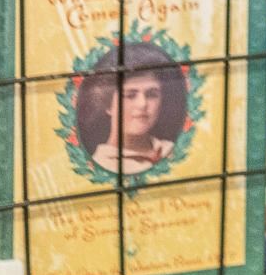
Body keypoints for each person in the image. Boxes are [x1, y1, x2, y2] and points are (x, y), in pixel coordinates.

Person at [72, 42, 188, 176]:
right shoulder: (100, 165)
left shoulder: (172, 151)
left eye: (151, 94)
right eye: (130, 95)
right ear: (108, 105)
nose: (142, 104)